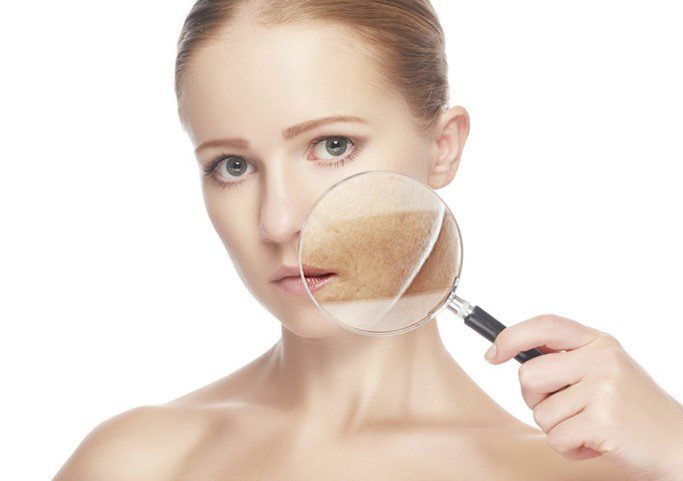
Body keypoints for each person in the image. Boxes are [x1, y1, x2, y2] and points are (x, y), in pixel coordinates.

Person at [53, 1, 683, 480]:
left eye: (332, 147)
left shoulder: (593, 469)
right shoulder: (136, 464)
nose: (277, 222)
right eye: (232, 165)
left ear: (442, 148)